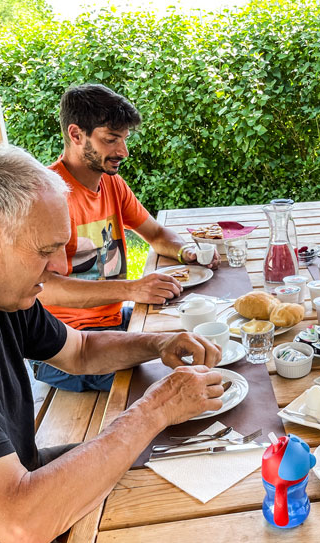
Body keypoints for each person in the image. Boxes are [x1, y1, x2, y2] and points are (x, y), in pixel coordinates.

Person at [0, 144, 224, 543]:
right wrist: (155, 408)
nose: (62, 269)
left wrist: (158, 343)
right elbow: (21, 527)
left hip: (23, 478)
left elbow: (81, 350)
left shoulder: (9, 299)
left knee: (180, 462)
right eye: (46, 252)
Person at [34, 83, 219, 393]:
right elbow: (41, 287)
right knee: (182, 385)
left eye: (124, 140)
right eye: (111, 139)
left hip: (114, 321)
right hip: (64, 348)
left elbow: (157, 234)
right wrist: (133, 289)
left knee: (204, 339)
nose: (123, 152)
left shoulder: (112, 184)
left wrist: (187, 251)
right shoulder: (47, 197)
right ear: (76, 134)